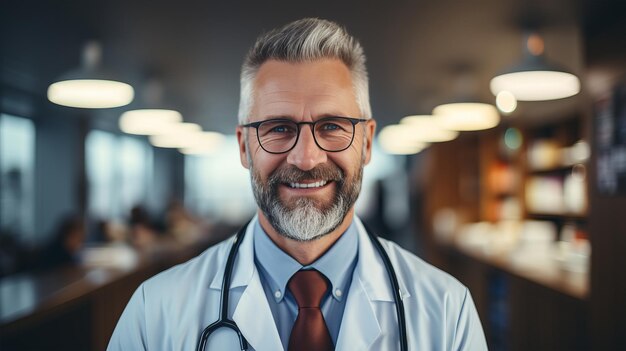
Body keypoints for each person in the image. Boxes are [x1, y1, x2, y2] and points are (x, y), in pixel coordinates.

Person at [108, 18, 487, 350]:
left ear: (368, 143)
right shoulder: (154, 312)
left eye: (332, 127)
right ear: (243, 146)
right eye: (278, 128)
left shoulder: (447, 311)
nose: (306, 158)